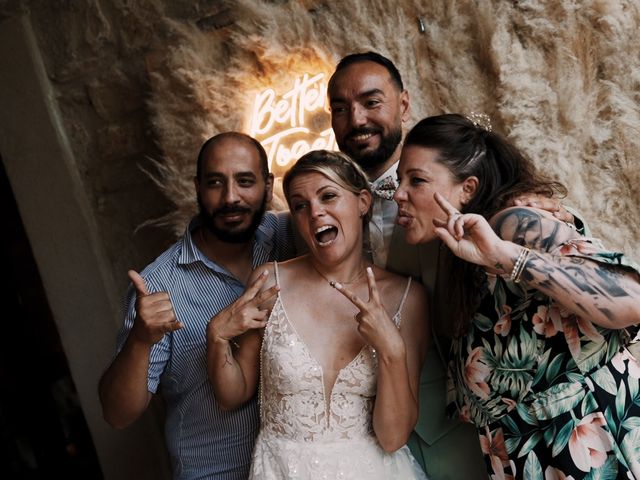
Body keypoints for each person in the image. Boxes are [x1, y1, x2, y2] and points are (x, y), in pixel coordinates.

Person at [327, 51, 580, 478]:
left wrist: (523, 211)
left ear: (404, 104)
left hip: (464, 423)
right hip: (361, 430)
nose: (356, 119)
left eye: (372, 102)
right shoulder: (315, 207)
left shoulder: (478, 198)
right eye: (340, 108)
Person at [394, 113, 640, 478]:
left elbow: (631, 298)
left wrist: (505, 256)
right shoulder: (460, 255)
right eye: (400, 180)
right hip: (527, 459)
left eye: (416, 180)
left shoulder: (513, 223)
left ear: (468, 188)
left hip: (592, 445)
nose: (399, 194)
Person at [207, 150, 429, 479]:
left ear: (363, 202)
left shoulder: (407, 298)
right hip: (282, 471)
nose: (315, 212)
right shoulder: (270, 281)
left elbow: (393, 437)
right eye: (300, 205)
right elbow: (232, 395)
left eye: (328, 196)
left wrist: (391, 351)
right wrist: (217, 336)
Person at [98, 132, 295, 480]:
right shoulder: (159, 286)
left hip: (297, 468)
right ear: (197, 188)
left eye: (245, 181)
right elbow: (117, 414)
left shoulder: (289, 237)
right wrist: (140, 340)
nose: (230, 197)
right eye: (215, 183)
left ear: (268, 185)